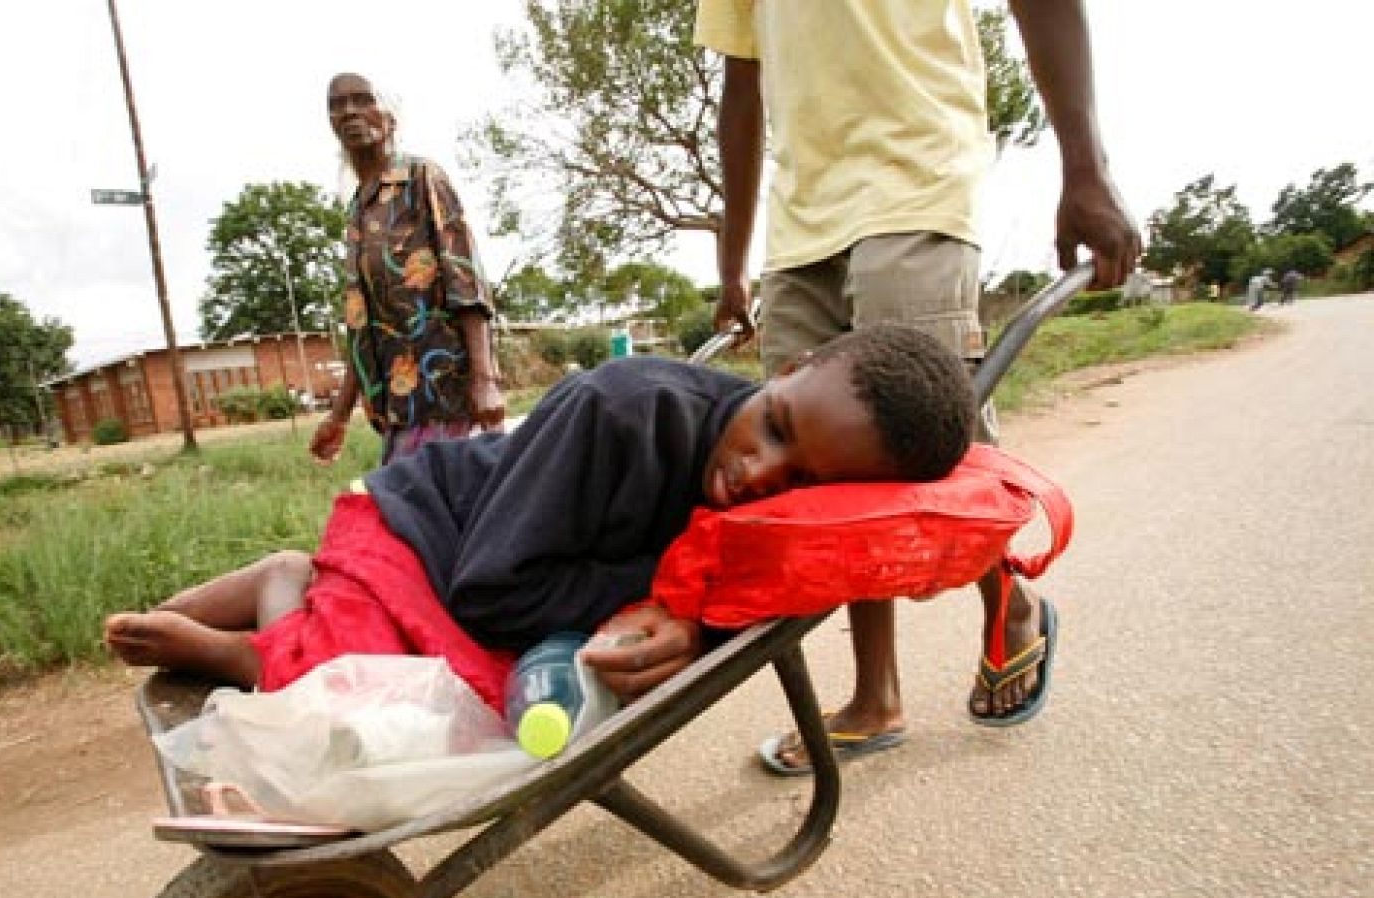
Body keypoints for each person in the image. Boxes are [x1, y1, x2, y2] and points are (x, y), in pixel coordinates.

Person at [696, 0, 1144, 772]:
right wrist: (733, 262)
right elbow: (743, 88)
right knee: (819, 472)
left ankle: (1014, 603)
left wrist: (1086, 168)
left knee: (930, 440)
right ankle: (877, 693)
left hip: (915, 176)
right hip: (801, 220)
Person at [105, 326, 978, 708]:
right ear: (790, 366)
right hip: (426, 532)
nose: (758, 474)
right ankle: (271, 608)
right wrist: (668, 599)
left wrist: (699, 627)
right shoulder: (624, 411)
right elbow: (490, 592)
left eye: (802, 481)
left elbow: (728, 593)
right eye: (775, 425)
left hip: (503, 569)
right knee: (355, 693)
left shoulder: (790, 518)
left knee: (425, 710)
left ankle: (290, 620)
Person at [309, 72, 505, 467]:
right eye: (337, 104)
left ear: (391, 117)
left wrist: (485, 381)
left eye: (362, 99)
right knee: (413, 514)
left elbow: (465, 281)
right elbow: (364, 326)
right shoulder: (357, 210)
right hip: (398, 409)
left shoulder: (421, 179)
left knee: (441, 515)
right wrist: (339, 417)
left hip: (450, 397)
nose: (348, 111)